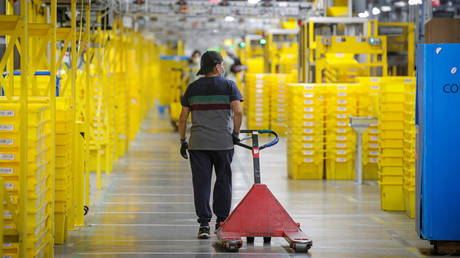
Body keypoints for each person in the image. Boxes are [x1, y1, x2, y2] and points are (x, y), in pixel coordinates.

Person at [178, 51, 243, 239]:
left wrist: (183, 141)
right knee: (223, 182)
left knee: (201, 184)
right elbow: (238, 112)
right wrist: (236, 134)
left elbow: (183, 118)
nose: (223, 67)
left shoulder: (192, 88)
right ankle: (221, 222)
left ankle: (204, 225)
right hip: (223, 143)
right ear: (216, 67)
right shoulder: (230, 85)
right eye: (222, 64)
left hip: (198, 144)